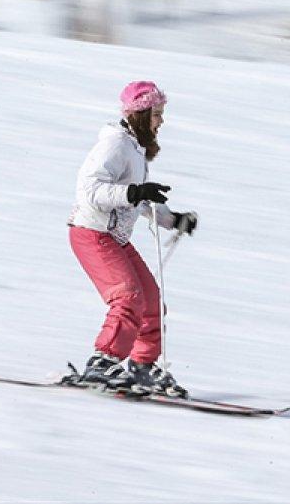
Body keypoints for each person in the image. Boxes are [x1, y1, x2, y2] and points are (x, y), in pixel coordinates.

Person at [67, 80, 199, 397]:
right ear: (140, 114)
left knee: (151, 300)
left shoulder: (134, 150)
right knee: (127, 297)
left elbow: (139, 201)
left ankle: (142, 367)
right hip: (92, 233)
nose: (161, 121)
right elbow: (91, 190)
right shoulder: (114, 146)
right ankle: (103, 363)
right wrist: (133, 191)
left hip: (115, 238)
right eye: (157, 114)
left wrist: (172, 219)